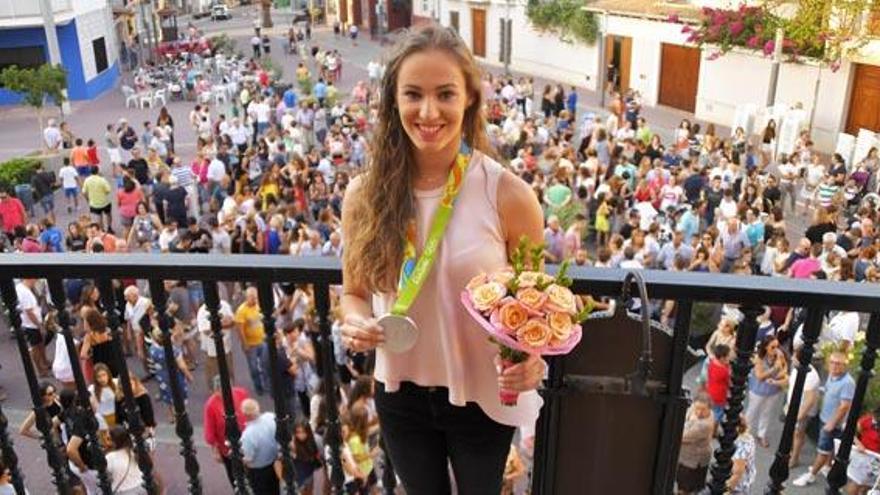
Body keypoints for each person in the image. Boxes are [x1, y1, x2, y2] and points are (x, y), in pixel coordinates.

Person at [339, 26, 546, 493]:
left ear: (469, 99)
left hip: (482, 397)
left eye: (445, 94)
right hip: (399, 393)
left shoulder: (509, 195)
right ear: (393, 101)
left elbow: (536, 309)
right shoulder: (363, 196)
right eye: (413, 94)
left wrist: (532, 357)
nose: (429, 112)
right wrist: (354, 322)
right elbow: (353, 293)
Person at [793, 351, 856, 486]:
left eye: (838, 364)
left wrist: (831, 424)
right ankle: (827, 467)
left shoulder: (847, 383)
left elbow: (844, 406)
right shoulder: (832, 376)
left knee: (822, 450)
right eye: (832, 363)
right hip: (825, 417)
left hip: (831, 422)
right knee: (830, 448)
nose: (834, 366)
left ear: (845, 365)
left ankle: (811, 475)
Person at [203, 375, 250, 488]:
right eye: (220, 391)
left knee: (251, 472)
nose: (223, 393)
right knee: (235, 475)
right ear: (215, 391)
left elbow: (249, 412)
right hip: (227, 448)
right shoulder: (210, 405)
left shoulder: (241, 393)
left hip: (247, 442)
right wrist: (215, 450)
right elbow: (210, 433)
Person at [745, 335, 788, 447]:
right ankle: (745, 433)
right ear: (765, 347)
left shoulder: (779, 355)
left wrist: (779, 372)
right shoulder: (759, 358)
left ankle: (761, 434)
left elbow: (785, 369)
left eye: (777, 346)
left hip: (773, 390)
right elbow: (760, 376)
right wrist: (775, 369)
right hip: (758, 390)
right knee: (752, 412)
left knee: (767, 413)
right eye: (772, 347)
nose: (776, 349)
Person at [676, 392, 714, 495]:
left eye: (703, 409)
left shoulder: (703, 425)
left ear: (709, 408)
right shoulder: (697, 410)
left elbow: (681, 436)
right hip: (694, 458)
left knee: (685, 488)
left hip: (692, 461)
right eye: (697, 408)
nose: (699, 412)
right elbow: (690, 410)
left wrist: (691, 420)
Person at [235, 287, 270, 395]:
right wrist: (244, 344)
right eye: (252, 298)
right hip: (251, 344)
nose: (255, 300)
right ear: (247, 298)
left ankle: (267, 384)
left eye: (256, 297)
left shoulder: (259, 306)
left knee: (265, 364)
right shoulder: (241, 311)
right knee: (254, 367)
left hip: (263, 340)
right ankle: (258, 386)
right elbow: (240, 330)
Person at [240, 398, 279, 494]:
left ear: (245, 414)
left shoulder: (248, 434)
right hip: (274, 463)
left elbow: (248, 458)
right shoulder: (270, 417)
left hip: (258, 471)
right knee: (275, 490)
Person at [105, 425, 147, 494]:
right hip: (141, 487)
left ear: (115, 441)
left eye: (108, 439)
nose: (105, 441)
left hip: (124, 492)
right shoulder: (133, 451)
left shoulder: (110, 457)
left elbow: (106, 477)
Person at [727, 415, 757, 494]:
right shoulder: (748, 437)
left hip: (738, 487)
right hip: (746, 479)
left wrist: (726, 490)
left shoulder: (741, 447)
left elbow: (737, 474)